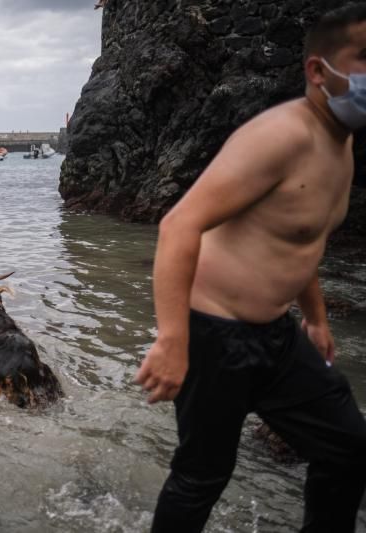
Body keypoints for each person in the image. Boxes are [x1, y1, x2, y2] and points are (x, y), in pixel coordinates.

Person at [134, 4, 366, 531]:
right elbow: (178, 226)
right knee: (203, 475)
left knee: (348, 447)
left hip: (278, 337)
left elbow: (300, 239)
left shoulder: (342, 144)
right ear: (317, 70)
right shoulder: (281, 136)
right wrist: (173, 340)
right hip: (214, 335)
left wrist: (318, 318)